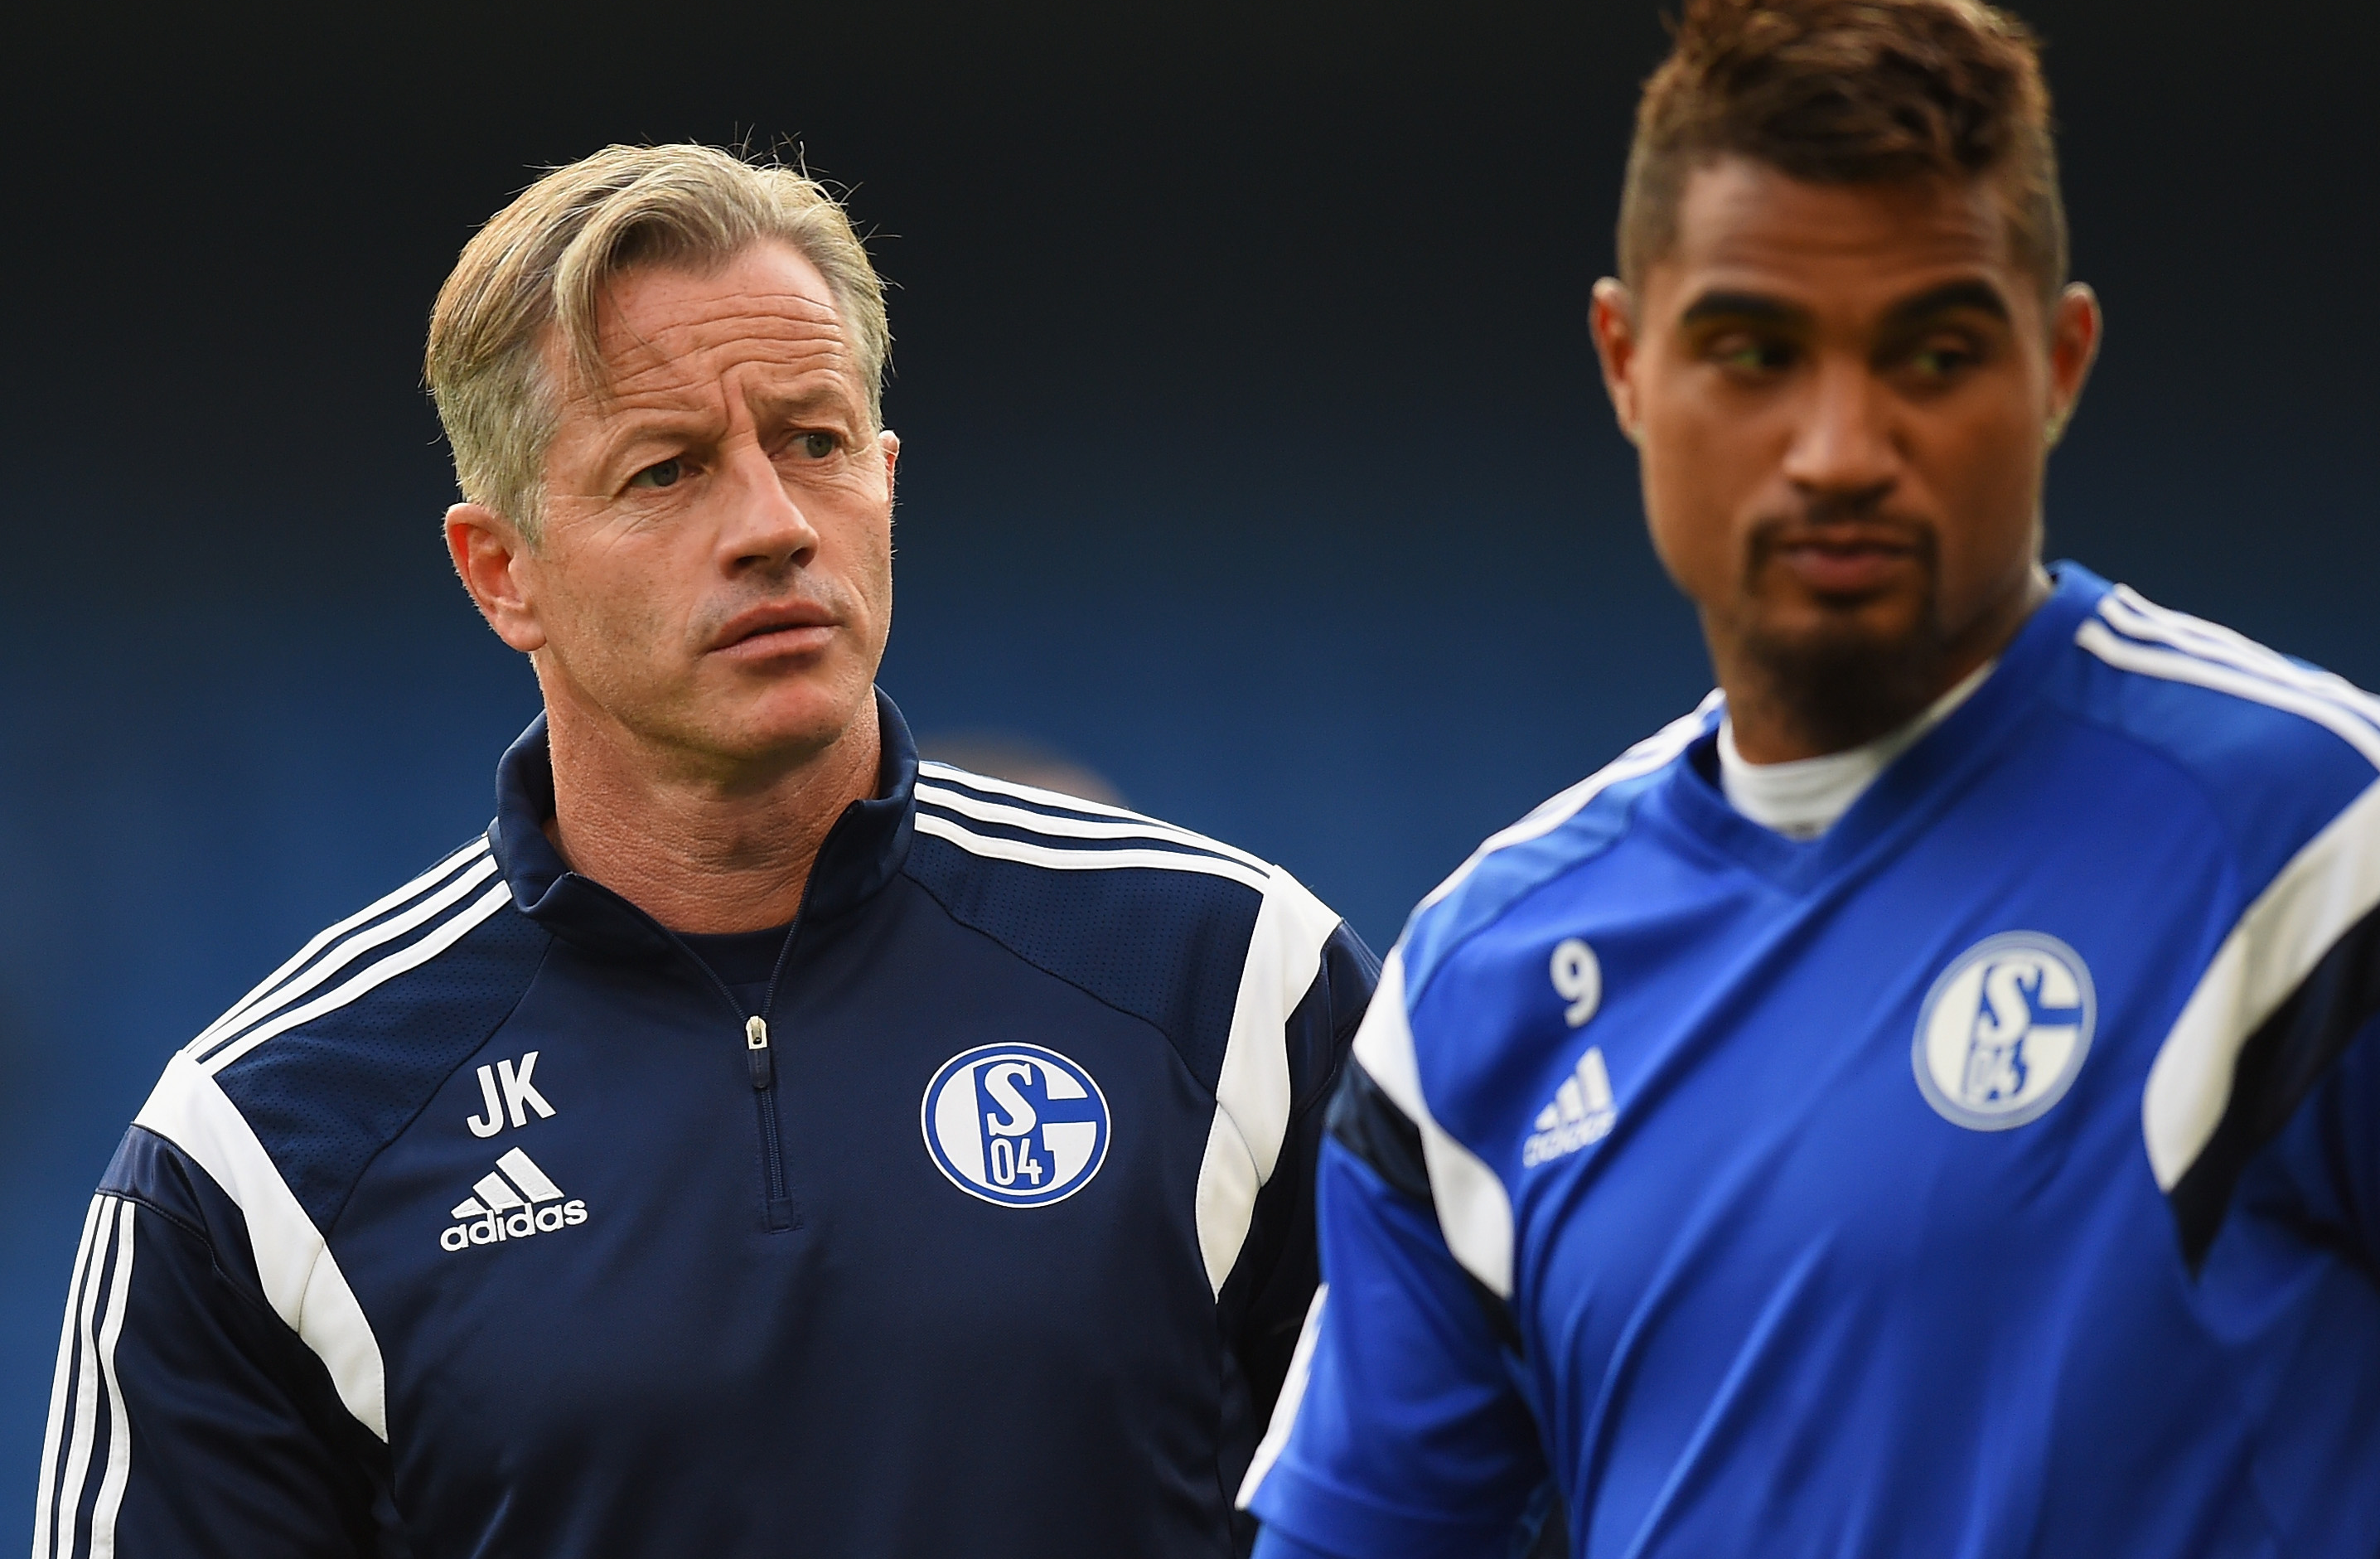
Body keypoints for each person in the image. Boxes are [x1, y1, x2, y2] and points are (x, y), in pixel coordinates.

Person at [1241, 0, 2380, 1558]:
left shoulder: (2344, 864)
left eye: (1934, 353)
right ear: (1627, 361)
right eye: (1756, 352)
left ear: (2061, 363)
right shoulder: (1473, 989)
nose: (1840, 448)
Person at [32, 145, 1375, 1557]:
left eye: (816, 442)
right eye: (667, 470)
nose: (777, 527)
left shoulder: (1232, 986)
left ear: (887, 474)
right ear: (503, 572)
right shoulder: (262, 1150)